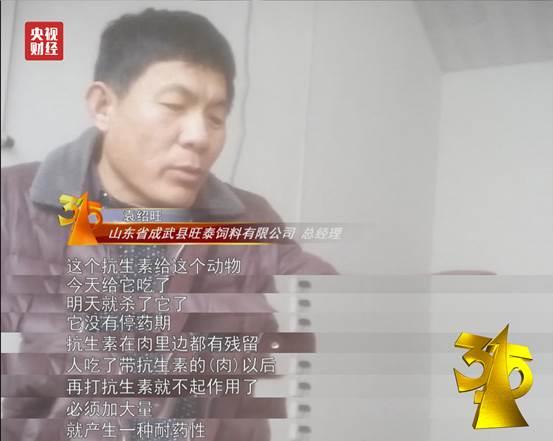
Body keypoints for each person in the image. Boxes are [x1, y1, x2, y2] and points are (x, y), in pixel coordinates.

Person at [1, 8, 336, 441]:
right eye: (174, 107)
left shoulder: (249, 223)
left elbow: (328, 302)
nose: (199, 136)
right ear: (103, 106)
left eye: (215, 118)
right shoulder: (13, 203)